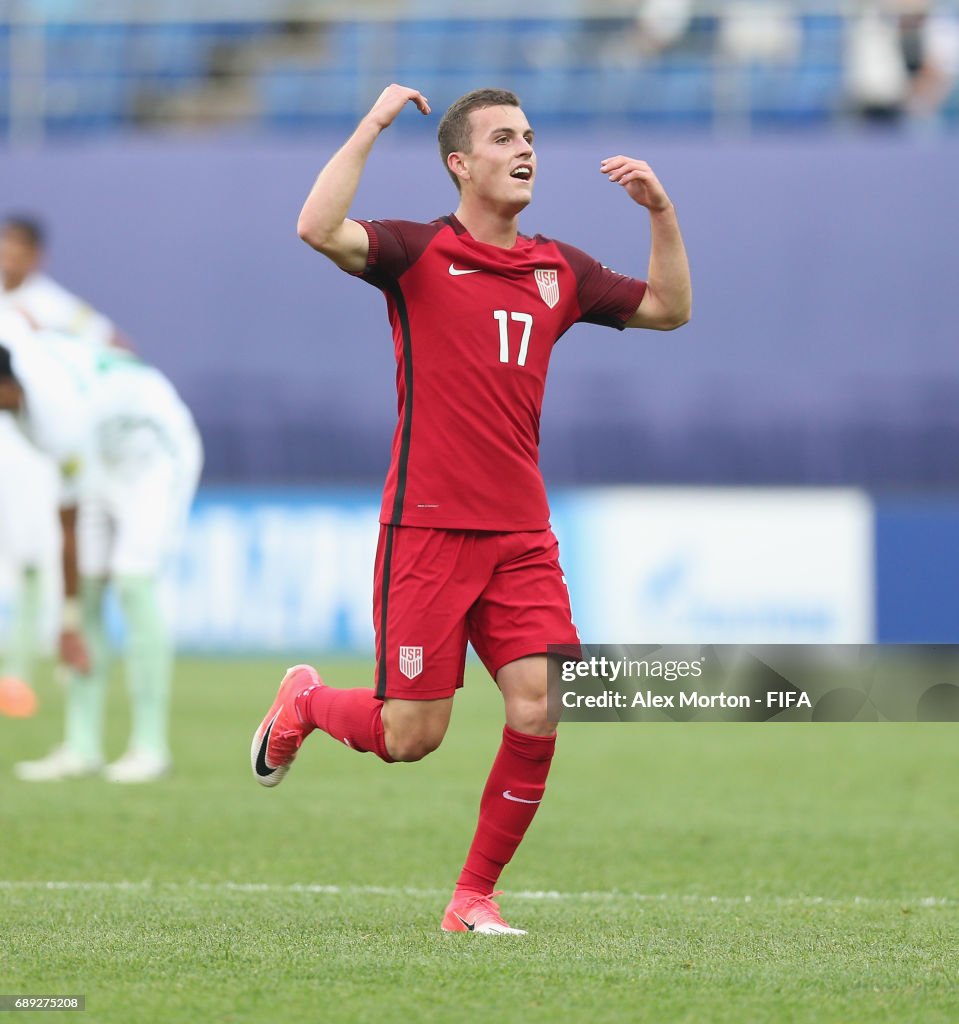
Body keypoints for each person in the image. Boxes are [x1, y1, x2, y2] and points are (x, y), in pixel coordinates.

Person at [250, 84, 691, 934]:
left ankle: (471, 899)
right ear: (459, 162)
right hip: (427, 529)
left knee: (540, 702)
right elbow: (316, 227)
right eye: (501, 137)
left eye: (528, 135)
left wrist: (659, 212)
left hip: (521, 535)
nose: (523, 149)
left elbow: (669, 309)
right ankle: (303, 704)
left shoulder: (558, 268)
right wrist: (376, 122)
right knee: (412, 737)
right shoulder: (415, 252)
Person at [0, 312, 203, 783]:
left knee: (132, 584)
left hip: (156, 451)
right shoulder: (19, 353)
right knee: (89, 592)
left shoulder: (54, 417)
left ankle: (150, 746)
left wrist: (65, 619)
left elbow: (66, 526)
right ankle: (81, 745)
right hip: (103, 456)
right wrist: (73, 612)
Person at [0, 215, 126, 717]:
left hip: (41, 445)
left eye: (19, 248)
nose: (10, 256)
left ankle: (18, 673)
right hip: (9, 443)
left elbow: (110, 341)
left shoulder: (52, 306)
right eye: (5, 246)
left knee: (36, 557)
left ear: (37, 257)